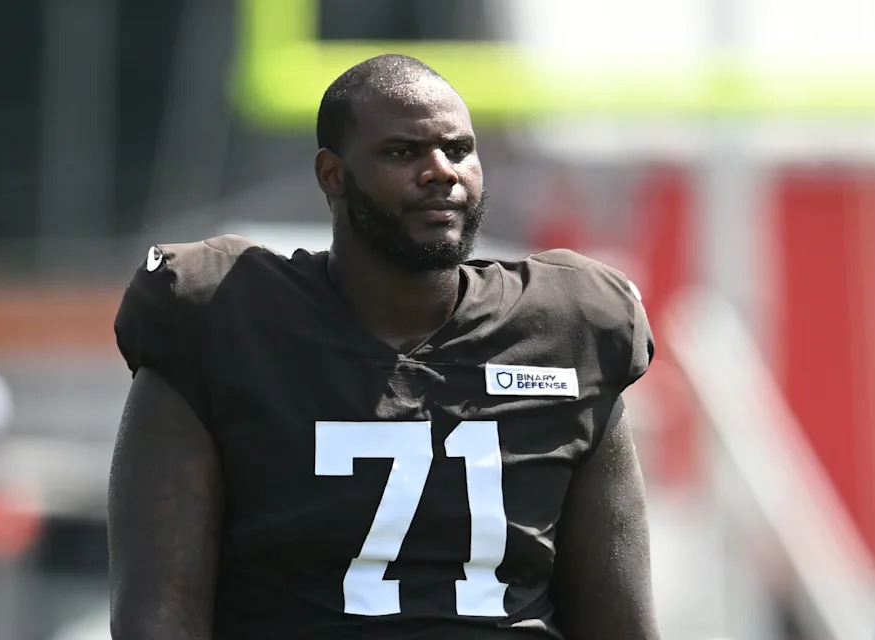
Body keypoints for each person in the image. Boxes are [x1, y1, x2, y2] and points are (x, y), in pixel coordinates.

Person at [108, 54, 659, 640]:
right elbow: (157, 619)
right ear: (332, 175)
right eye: (403, 152)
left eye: (459, 149)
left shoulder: (568, 328)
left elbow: (622, 625)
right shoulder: (219, 319)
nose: (441, 171)